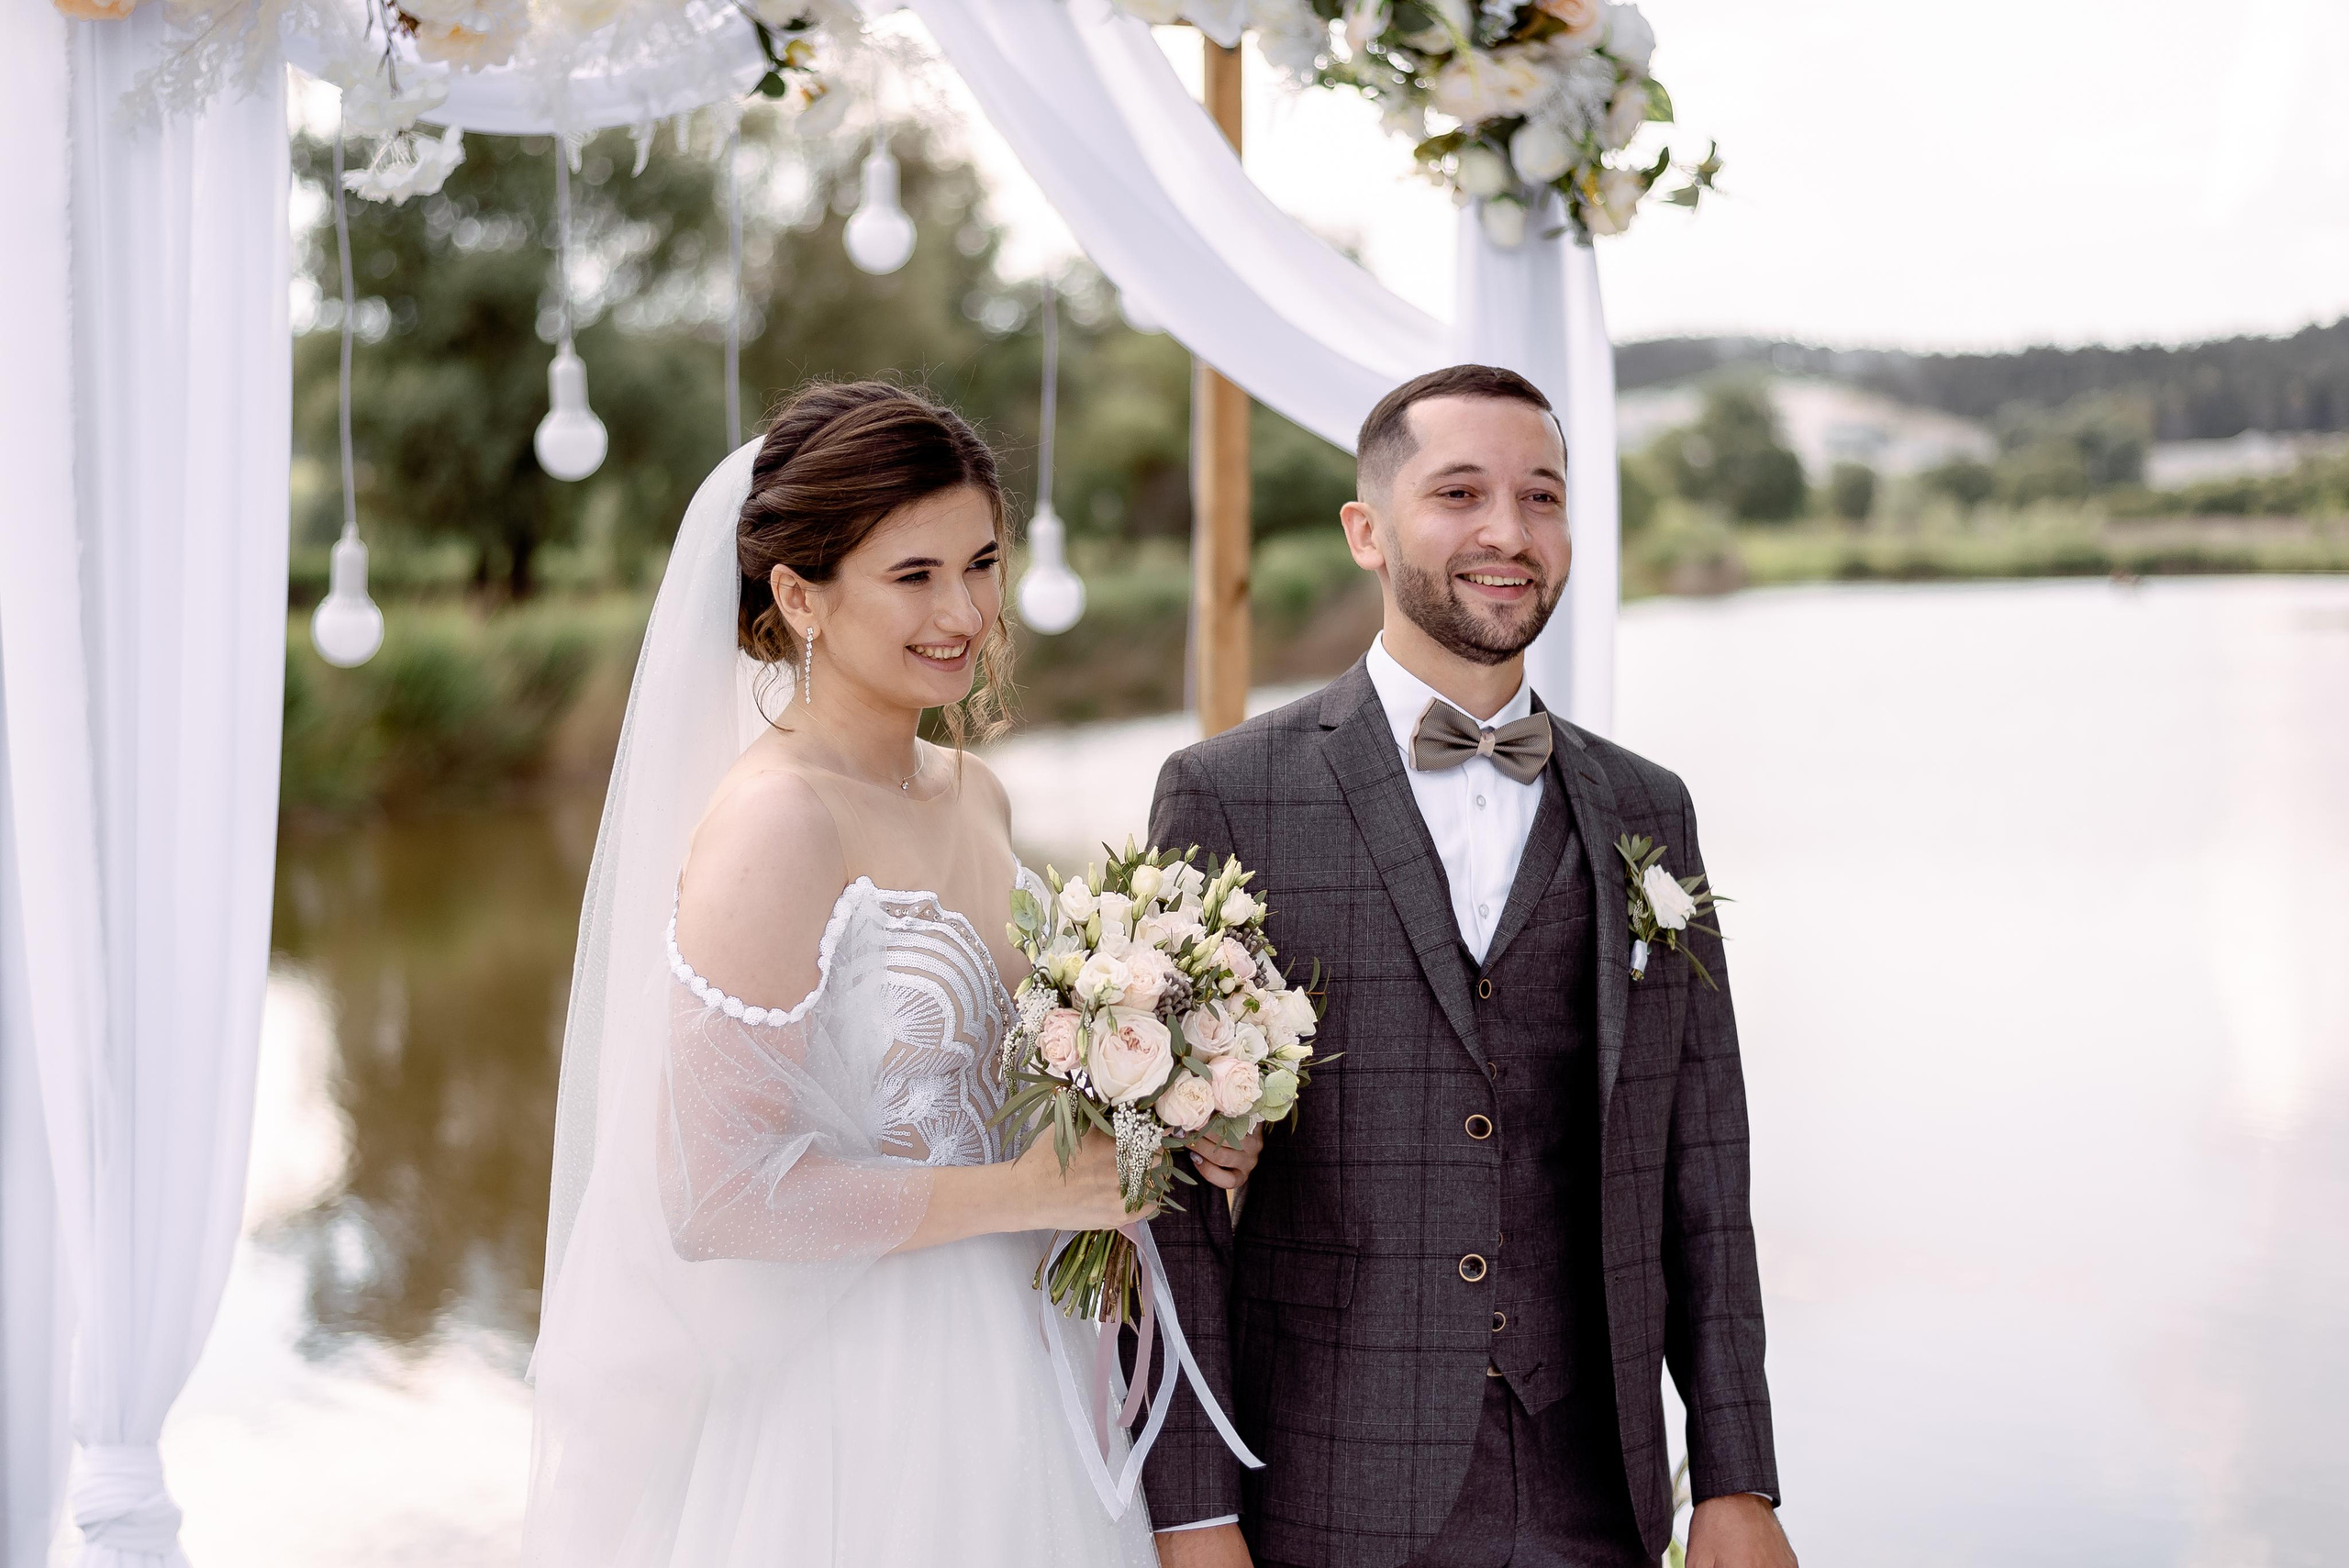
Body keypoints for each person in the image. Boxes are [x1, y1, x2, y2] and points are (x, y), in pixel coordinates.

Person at [520, 381, 1259, 1567]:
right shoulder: (777, 824)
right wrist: (1036, 1191)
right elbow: (717, 1197)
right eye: (914, 575)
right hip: (861, 1409)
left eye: (983, 562)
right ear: (800, 596)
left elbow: (1003, 1080)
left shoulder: (976, 791)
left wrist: (1158, 1131)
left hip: (1032, 1361)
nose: (964, 610)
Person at [1141, 365, 1797, 1568]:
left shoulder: (1652, 807)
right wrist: (1191, 1512)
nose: (1509, 532)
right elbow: (1173, 1195)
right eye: (1460, 492)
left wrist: (1738, 1478)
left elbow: (1704, 1166)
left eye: (1541, 498)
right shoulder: (1228, 794)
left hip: (1598, 1494)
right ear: (1367, 531)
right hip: (1325, 1489)